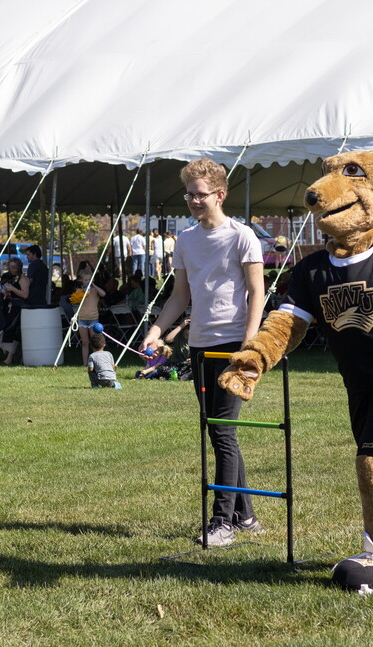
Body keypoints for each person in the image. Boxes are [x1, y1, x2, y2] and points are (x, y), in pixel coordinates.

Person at [141, 157, 265, 547]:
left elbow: (257, 293)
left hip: (234, 346)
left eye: (200, 195)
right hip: (200, 346)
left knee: (224, 432)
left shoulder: (242, 236)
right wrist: (157, 330)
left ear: (220, 194)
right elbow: (180, 296)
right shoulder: (187, 241)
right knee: (218, 431)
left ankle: (222, 522)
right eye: (189, 195)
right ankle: (245, 516)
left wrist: (249, 346)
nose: (193, 201)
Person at [69, 268, 106, 365]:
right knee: (85, 343)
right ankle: (85, 363)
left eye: (90, 279)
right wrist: (82, 292)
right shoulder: (79, 291)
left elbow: (103, 294)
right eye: (86, 280)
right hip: (82, 319)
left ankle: (95, 362)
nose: (88, 281)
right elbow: (74, 300)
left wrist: (93, 285)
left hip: (93, 319)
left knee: (95, 342)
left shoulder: (94, 290)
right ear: (81, 280)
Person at [0, 258, 30, 365]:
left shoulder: (23, 279)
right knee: (10, 331)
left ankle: (10, 358)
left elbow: (25, 295)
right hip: (9, 307)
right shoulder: (10, 278)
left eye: (14, 267)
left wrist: (12, 289)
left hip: (19, 308)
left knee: (15, 332)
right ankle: (12, 356)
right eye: (10, 267)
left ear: (19, 267)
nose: (12, 269)